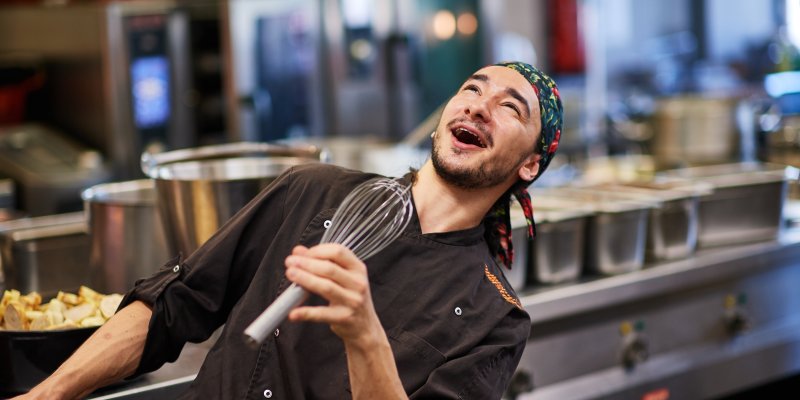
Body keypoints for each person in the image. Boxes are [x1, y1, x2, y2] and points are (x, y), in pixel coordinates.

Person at [16, 61, 563, 400]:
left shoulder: (495, 318)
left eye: (510, 107)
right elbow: (171, 304)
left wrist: (365, 338)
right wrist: (46, 396)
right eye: (473, 87)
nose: (479, 105)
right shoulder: (312, 190)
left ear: (530, 166)